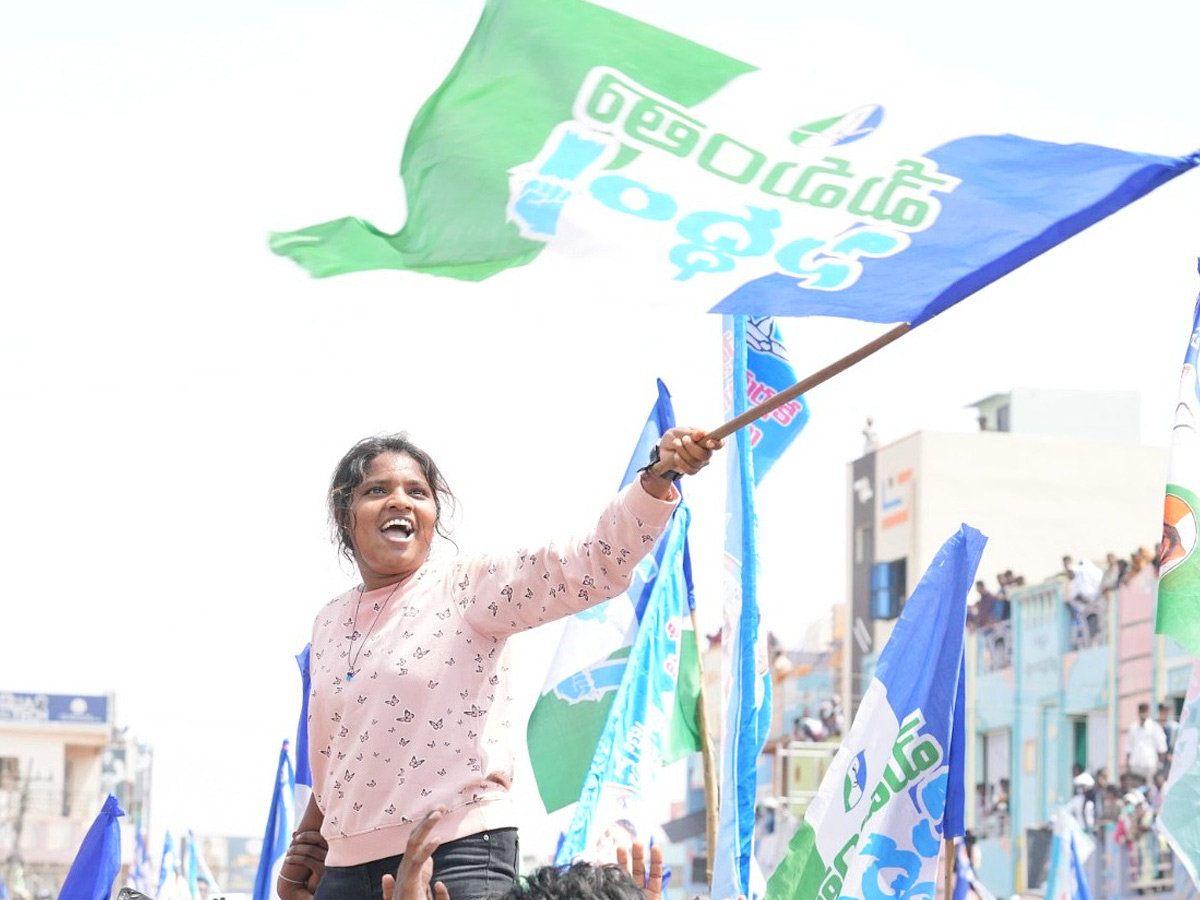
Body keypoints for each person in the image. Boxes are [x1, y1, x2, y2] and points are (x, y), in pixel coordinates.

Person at [278, 428, 721, 900]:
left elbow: (592, 562)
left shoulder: (469, 587)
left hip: (457, 853)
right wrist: (307, 848)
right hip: (344, 872)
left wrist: (657, 477)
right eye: (377, 490)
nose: (400, 502)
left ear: (433, 517)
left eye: (418, 492)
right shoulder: (327, 623)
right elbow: (334, 756)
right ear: (346, 517)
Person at [1126, 701, 1168, 786]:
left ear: (1148, 712)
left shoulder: (1154, 727)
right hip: (1135, 765)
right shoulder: (1133, 728)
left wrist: (1159, 765)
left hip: (1150, 765)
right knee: (1136, 791)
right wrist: (1127, 765)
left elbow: (1162, 748)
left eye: (1144, 711)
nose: (1143, 714)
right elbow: (1128, 748)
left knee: (1150, 790)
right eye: (1141, 711)